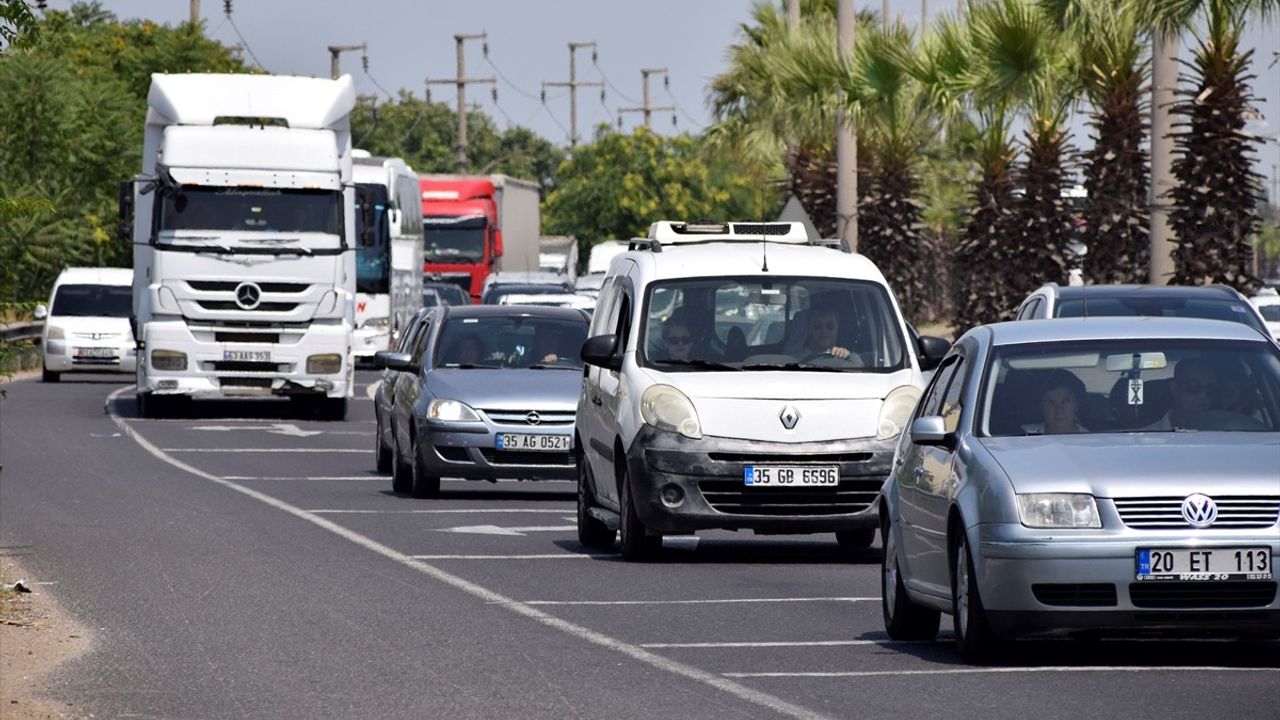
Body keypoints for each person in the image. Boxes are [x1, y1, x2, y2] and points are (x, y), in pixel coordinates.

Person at [1144, 358, 1217, 431]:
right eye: (1193, 387)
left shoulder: (1223, 435)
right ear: (1175, 389)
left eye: (1210, 389)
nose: (1203, 395)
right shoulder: (1145, 436)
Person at [1022, 370, 1089, 434]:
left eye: (1065, 401)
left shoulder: (1091, 440)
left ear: (1077, 405)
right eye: (1051, 403)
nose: (1059, 411)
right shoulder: (1023, 435)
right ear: (1041, 406)